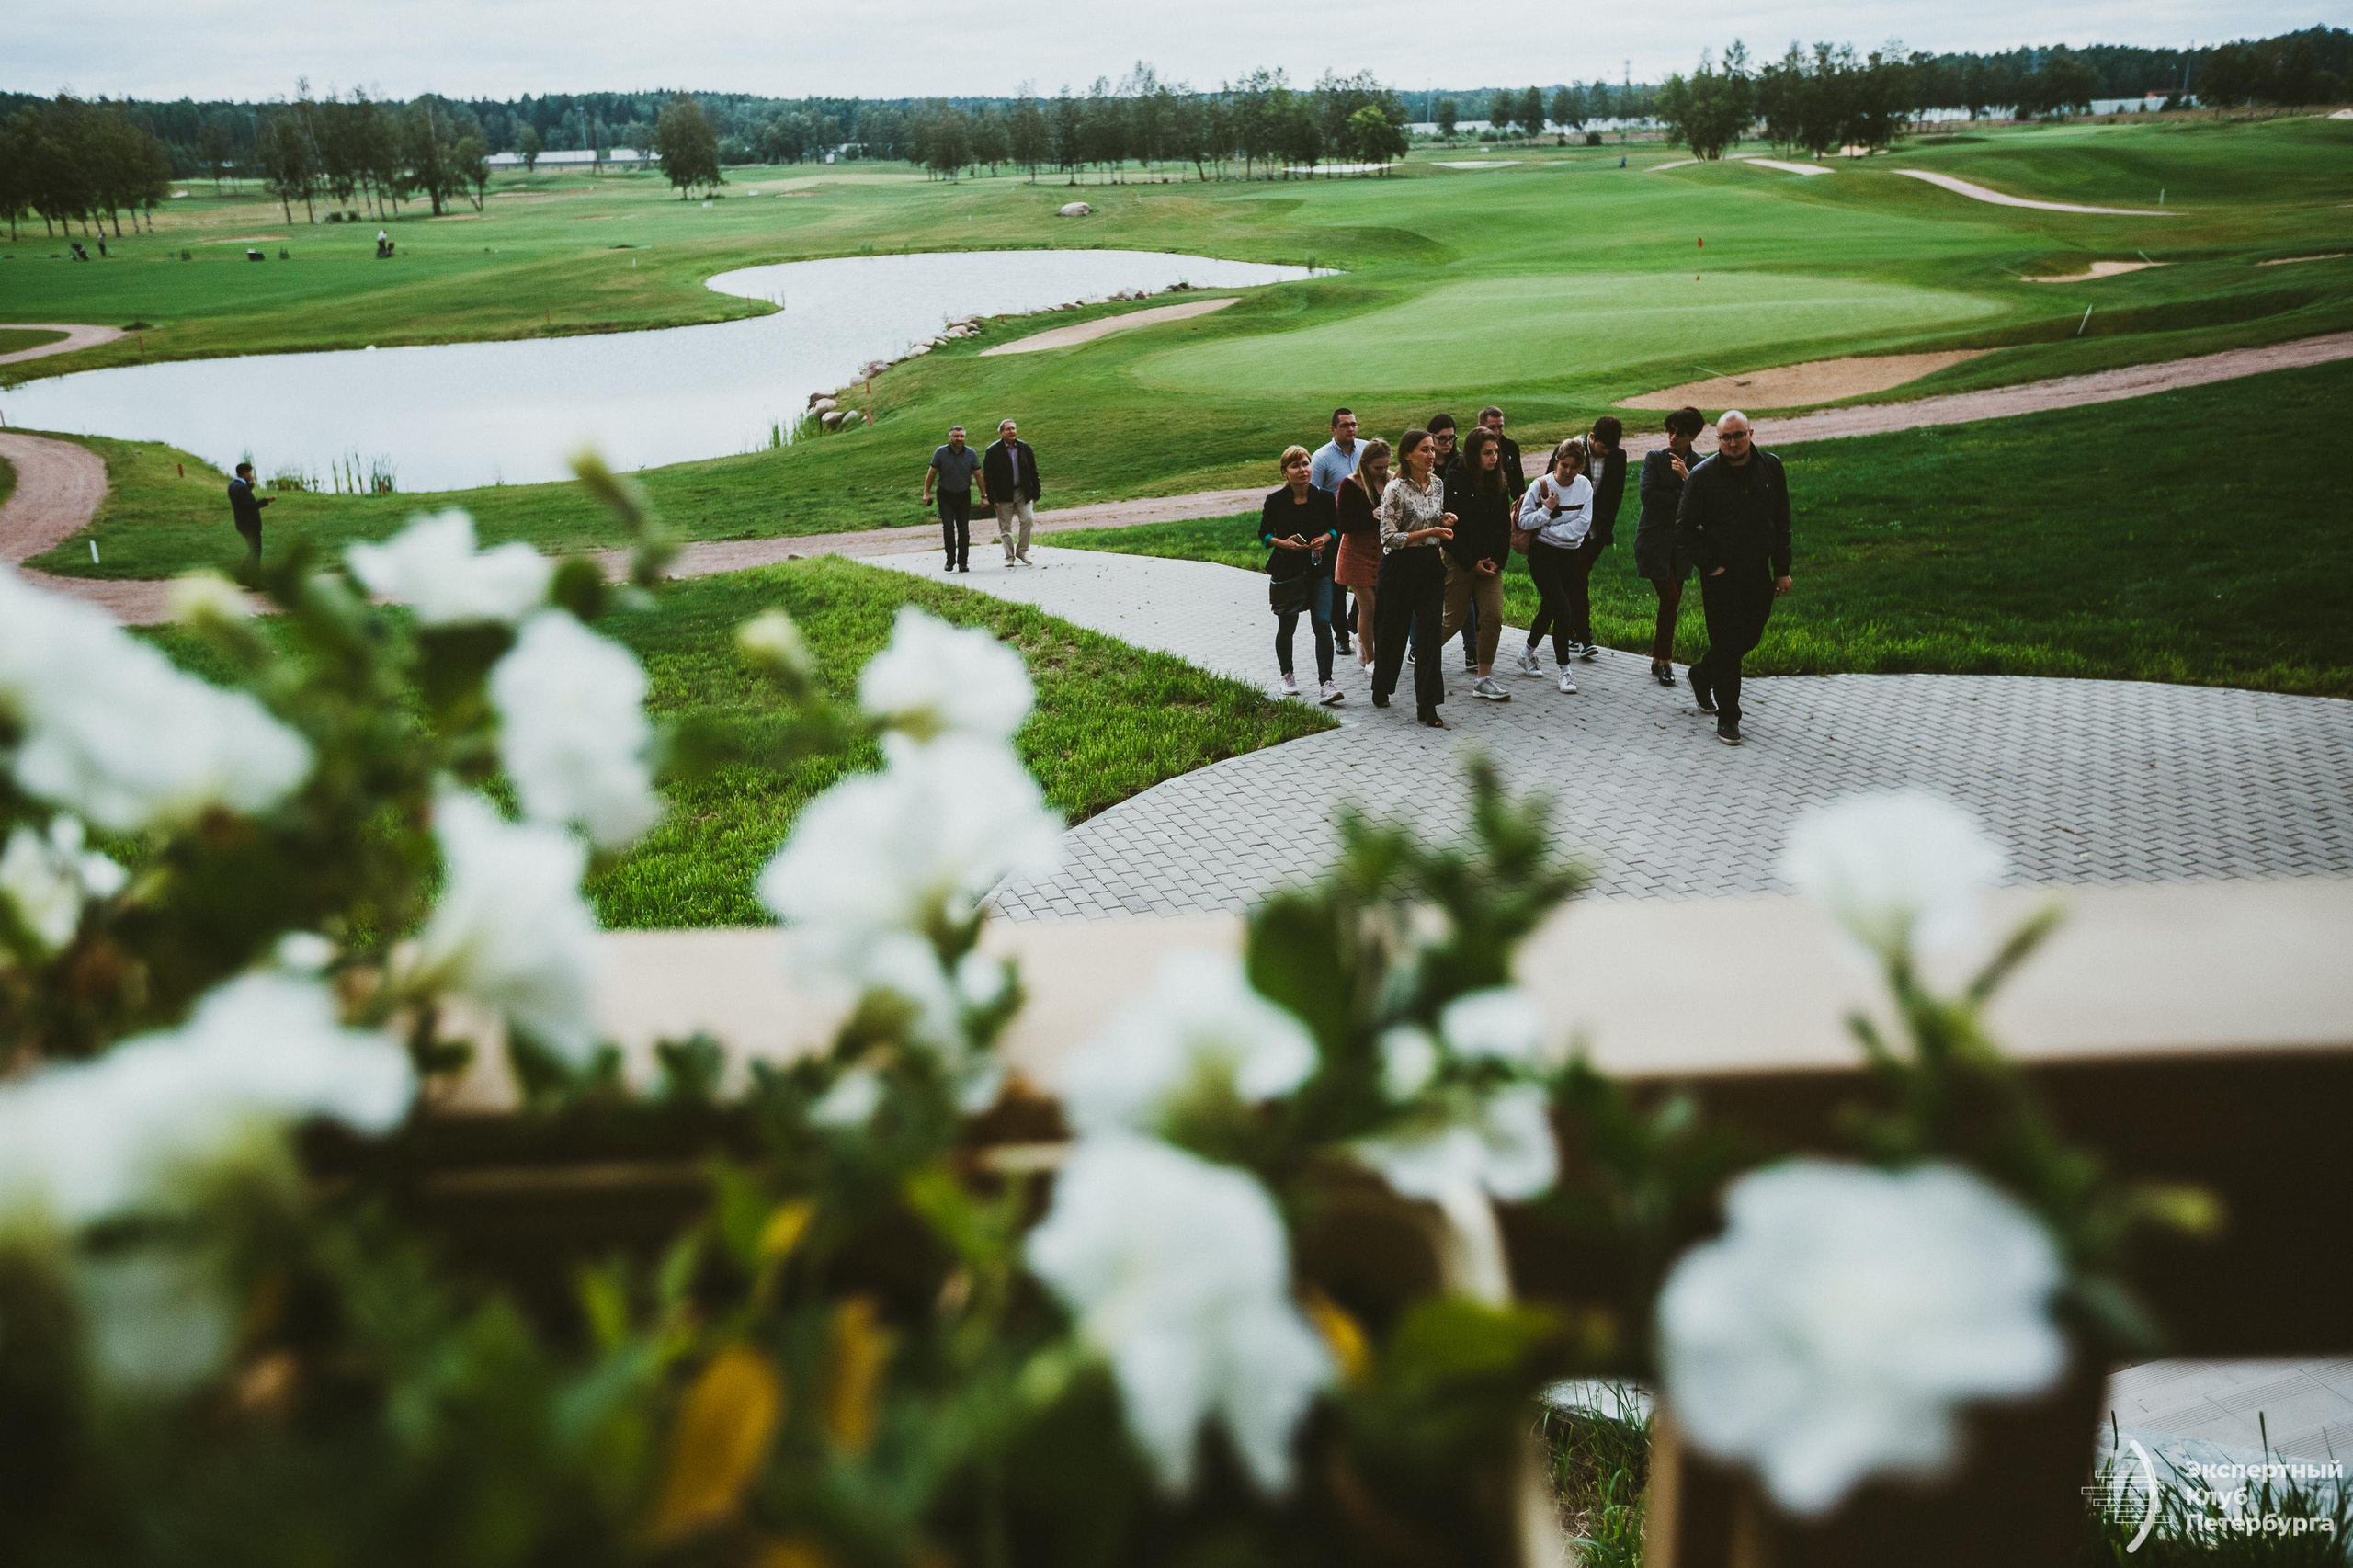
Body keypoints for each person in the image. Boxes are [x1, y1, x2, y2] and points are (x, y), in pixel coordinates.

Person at [1677, 411, 1792, 747]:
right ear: (1717, 440)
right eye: (1725, 437)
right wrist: (1710, 565)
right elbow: (1684, 529)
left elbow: (1782, 519)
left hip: (1759, 572)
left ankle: (1702, 674)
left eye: (1738, 435)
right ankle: (1729, 717)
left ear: (1751, 433)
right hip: (1721, 577)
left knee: (1749, 637)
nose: (1732, 442)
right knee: (1728, 644)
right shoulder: (1703, 476)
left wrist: (1782, 568)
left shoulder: (1771, 467)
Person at [1370, 428, 1455, 728]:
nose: (1432, 455)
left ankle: (1428, 705)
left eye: (1433, 449)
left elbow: (1432, 517)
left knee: (1430, 636)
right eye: (1425, 450)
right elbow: (1388, 538)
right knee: (1392, 633)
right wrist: (1430, 531)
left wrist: (1443, 521)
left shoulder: (1438, 484)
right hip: (1399, 568)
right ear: (1407, 454)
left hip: (1430, 565)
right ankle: (1381, 686)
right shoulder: (1395, 489)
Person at [1260, 446, 1345, 705]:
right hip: (1288, 571)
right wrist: (1282, 543)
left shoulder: (1325, 497)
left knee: (1322, 622)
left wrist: (1325, 538)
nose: (1303, 470)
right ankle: (1287, 674)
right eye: (1295, 466)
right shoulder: (1275, 500)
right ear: (1285, 472)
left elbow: (1337, 527)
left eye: (1306, 464)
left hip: (1319, 568)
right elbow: (1263, 534)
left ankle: (1327, 683)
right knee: (1287, 625)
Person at [1513, 438, 1595, 693]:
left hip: (1570, 555)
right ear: (1556, 461)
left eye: (1573, 467)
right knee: (1563, 608)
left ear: (1580, 467)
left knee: (1550, 607)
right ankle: (1564, 670)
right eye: (1564, 465)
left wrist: (1551, 529)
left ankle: (1526, 652)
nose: (1568, 471)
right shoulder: (1540, 486)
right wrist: (1546, 511)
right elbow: (1525, 522)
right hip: (1543, 555)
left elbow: (1583, 525)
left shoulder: (1584, 487)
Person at [1632, 406, 1706, 686]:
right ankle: (1665, 661)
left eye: (1680, 433)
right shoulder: (1655, 459)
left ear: (1693, 436)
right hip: (1653, 541)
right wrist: (1684, 492)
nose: (1672, 437)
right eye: (1670, 430)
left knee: (1670, 603)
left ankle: (1658, 658)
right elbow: (1649, 497)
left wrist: (1687, 478)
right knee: (1671, 598)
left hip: (1682, 546)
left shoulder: (1699, 465)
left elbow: (1703, 507)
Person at [1440, 427, 1514, 702]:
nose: (1494, 457)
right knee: (1453, 620)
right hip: (1461, 561)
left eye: (1496, 452)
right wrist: (1471, 563)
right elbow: (1450, 533)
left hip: (1490, 563)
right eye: (1487, 453)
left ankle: (1483, 679)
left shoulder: (1498, 481)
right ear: (1473, 454)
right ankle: (1425, 655)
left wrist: (1497, 561)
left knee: (1492, 617)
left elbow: (1503, 526)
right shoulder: (1454, 479)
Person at [1309, 407, 1364, 655]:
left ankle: (1355, 623)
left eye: (1353, 424)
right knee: (1338, 584)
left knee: (1367, 579)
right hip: (1336, 528)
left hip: (1364, 525)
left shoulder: (1365, 449)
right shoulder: (1321, 458)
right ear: (1333, 429)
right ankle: (1341, 634)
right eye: (1344, 425)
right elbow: (1313, 497)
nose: (1351, 429)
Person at [1333, 438, 1390, 673]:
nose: (1383, 471)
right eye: (1377, 467)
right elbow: (1343, 523)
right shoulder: (1350, 484)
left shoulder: (1391, 480)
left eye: (1386, 466)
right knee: (1369, 608)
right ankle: (1371, 660)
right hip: (1356, 552)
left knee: (1384, 608)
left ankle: (1363, 641)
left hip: (1383, 550)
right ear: (1365, 463)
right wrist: (1371, 515)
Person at [981, 418, 1043, 566]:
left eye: (1014, 428)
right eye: (1008, 429)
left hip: (1023, 492)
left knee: (1028, 520)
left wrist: (1036, 492)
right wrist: (992, 497)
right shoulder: (992, 451)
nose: (1012, 431)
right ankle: (1009, 556)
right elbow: (988, 477)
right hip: (1003, 494)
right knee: (1005, 527)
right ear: (1001, 433)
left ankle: (1022, 551)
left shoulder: (1024, 448)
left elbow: (1033, 471)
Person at [922, 425, 982, 573]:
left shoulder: (971, 453)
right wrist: (926, 493)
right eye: (956, 436)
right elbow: (931, 473)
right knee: (948, 527)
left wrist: (984, 495)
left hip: (963, 494)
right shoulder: (940, 452)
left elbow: (978, 475)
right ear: (950, 437)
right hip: (945, 494)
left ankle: (963, 562)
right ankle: (950, 560)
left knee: (964, 529)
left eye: (961, 436)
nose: (959, 439)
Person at [228, 461, 273, 569]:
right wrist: (265, 500)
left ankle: (246, 575)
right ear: (246, 473)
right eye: (250, 473)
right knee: (256, 551)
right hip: (250, 525)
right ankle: (249, 576)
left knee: (254, 551)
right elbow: (248, 506)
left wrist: (250, 486)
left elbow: (242, 499)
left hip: (242, 524)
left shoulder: (233, 486)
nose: (251, 475)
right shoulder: (242, 488)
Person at [1476, 406, 1528, 499]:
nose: (1497, 432)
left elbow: (1517, 483)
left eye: (1500, 427)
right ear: (1480, 427)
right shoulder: (1474, 448)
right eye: (1492, 427)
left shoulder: (1511, 448)